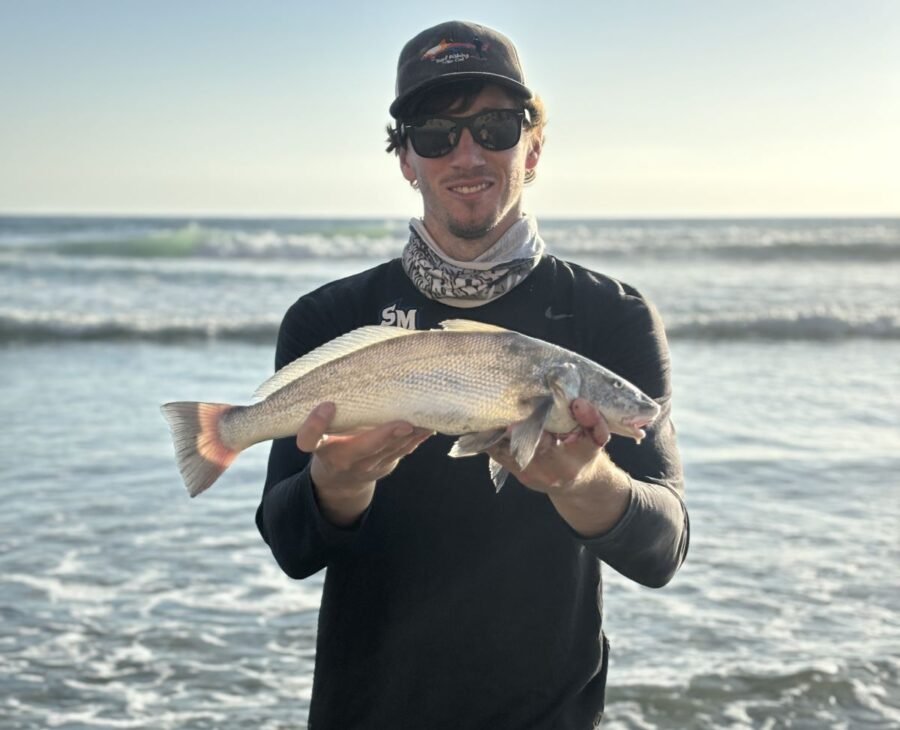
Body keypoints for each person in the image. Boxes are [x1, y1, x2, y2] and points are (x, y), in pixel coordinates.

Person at [257, 20, 689, 729]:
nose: (467, 153)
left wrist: (583, 481)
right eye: (435, 133)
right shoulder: (331, 318)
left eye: (495, 127)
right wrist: (337, 487)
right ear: (405, 160)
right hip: (366, 712)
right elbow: (292, 547)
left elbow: (662, 548)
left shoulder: (611, 317)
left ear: (534, 146)